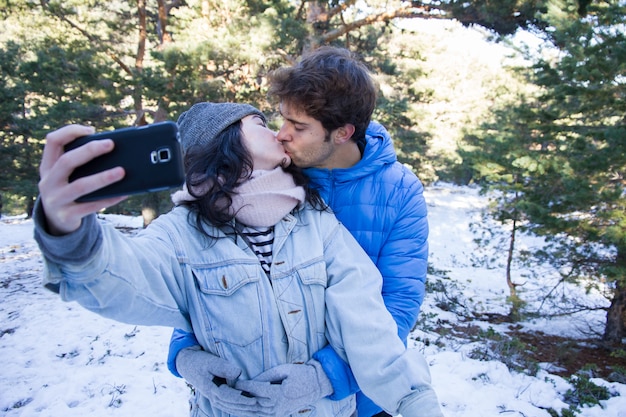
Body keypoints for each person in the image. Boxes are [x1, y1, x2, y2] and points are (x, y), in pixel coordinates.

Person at [34, 102, 443, 417]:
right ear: (226, 143)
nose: (280, 135)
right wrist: (69, 233)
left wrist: (414, 399)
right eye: (261, 124)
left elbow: (370, 321)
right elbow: (120, 278)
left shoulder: (315, 222)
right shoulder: (183, 232)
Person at [169, 47, 429, 417]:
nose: (281, 136)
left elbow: (398, 305)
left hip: (365, 396)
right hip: (260, 393)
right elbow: (205, 265)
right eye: (283, 119)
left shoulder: (400, 192)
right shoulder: (271, 173)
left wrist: (327, 377)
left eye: (299, 127)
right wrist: (185, 352)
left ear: (343, 132)